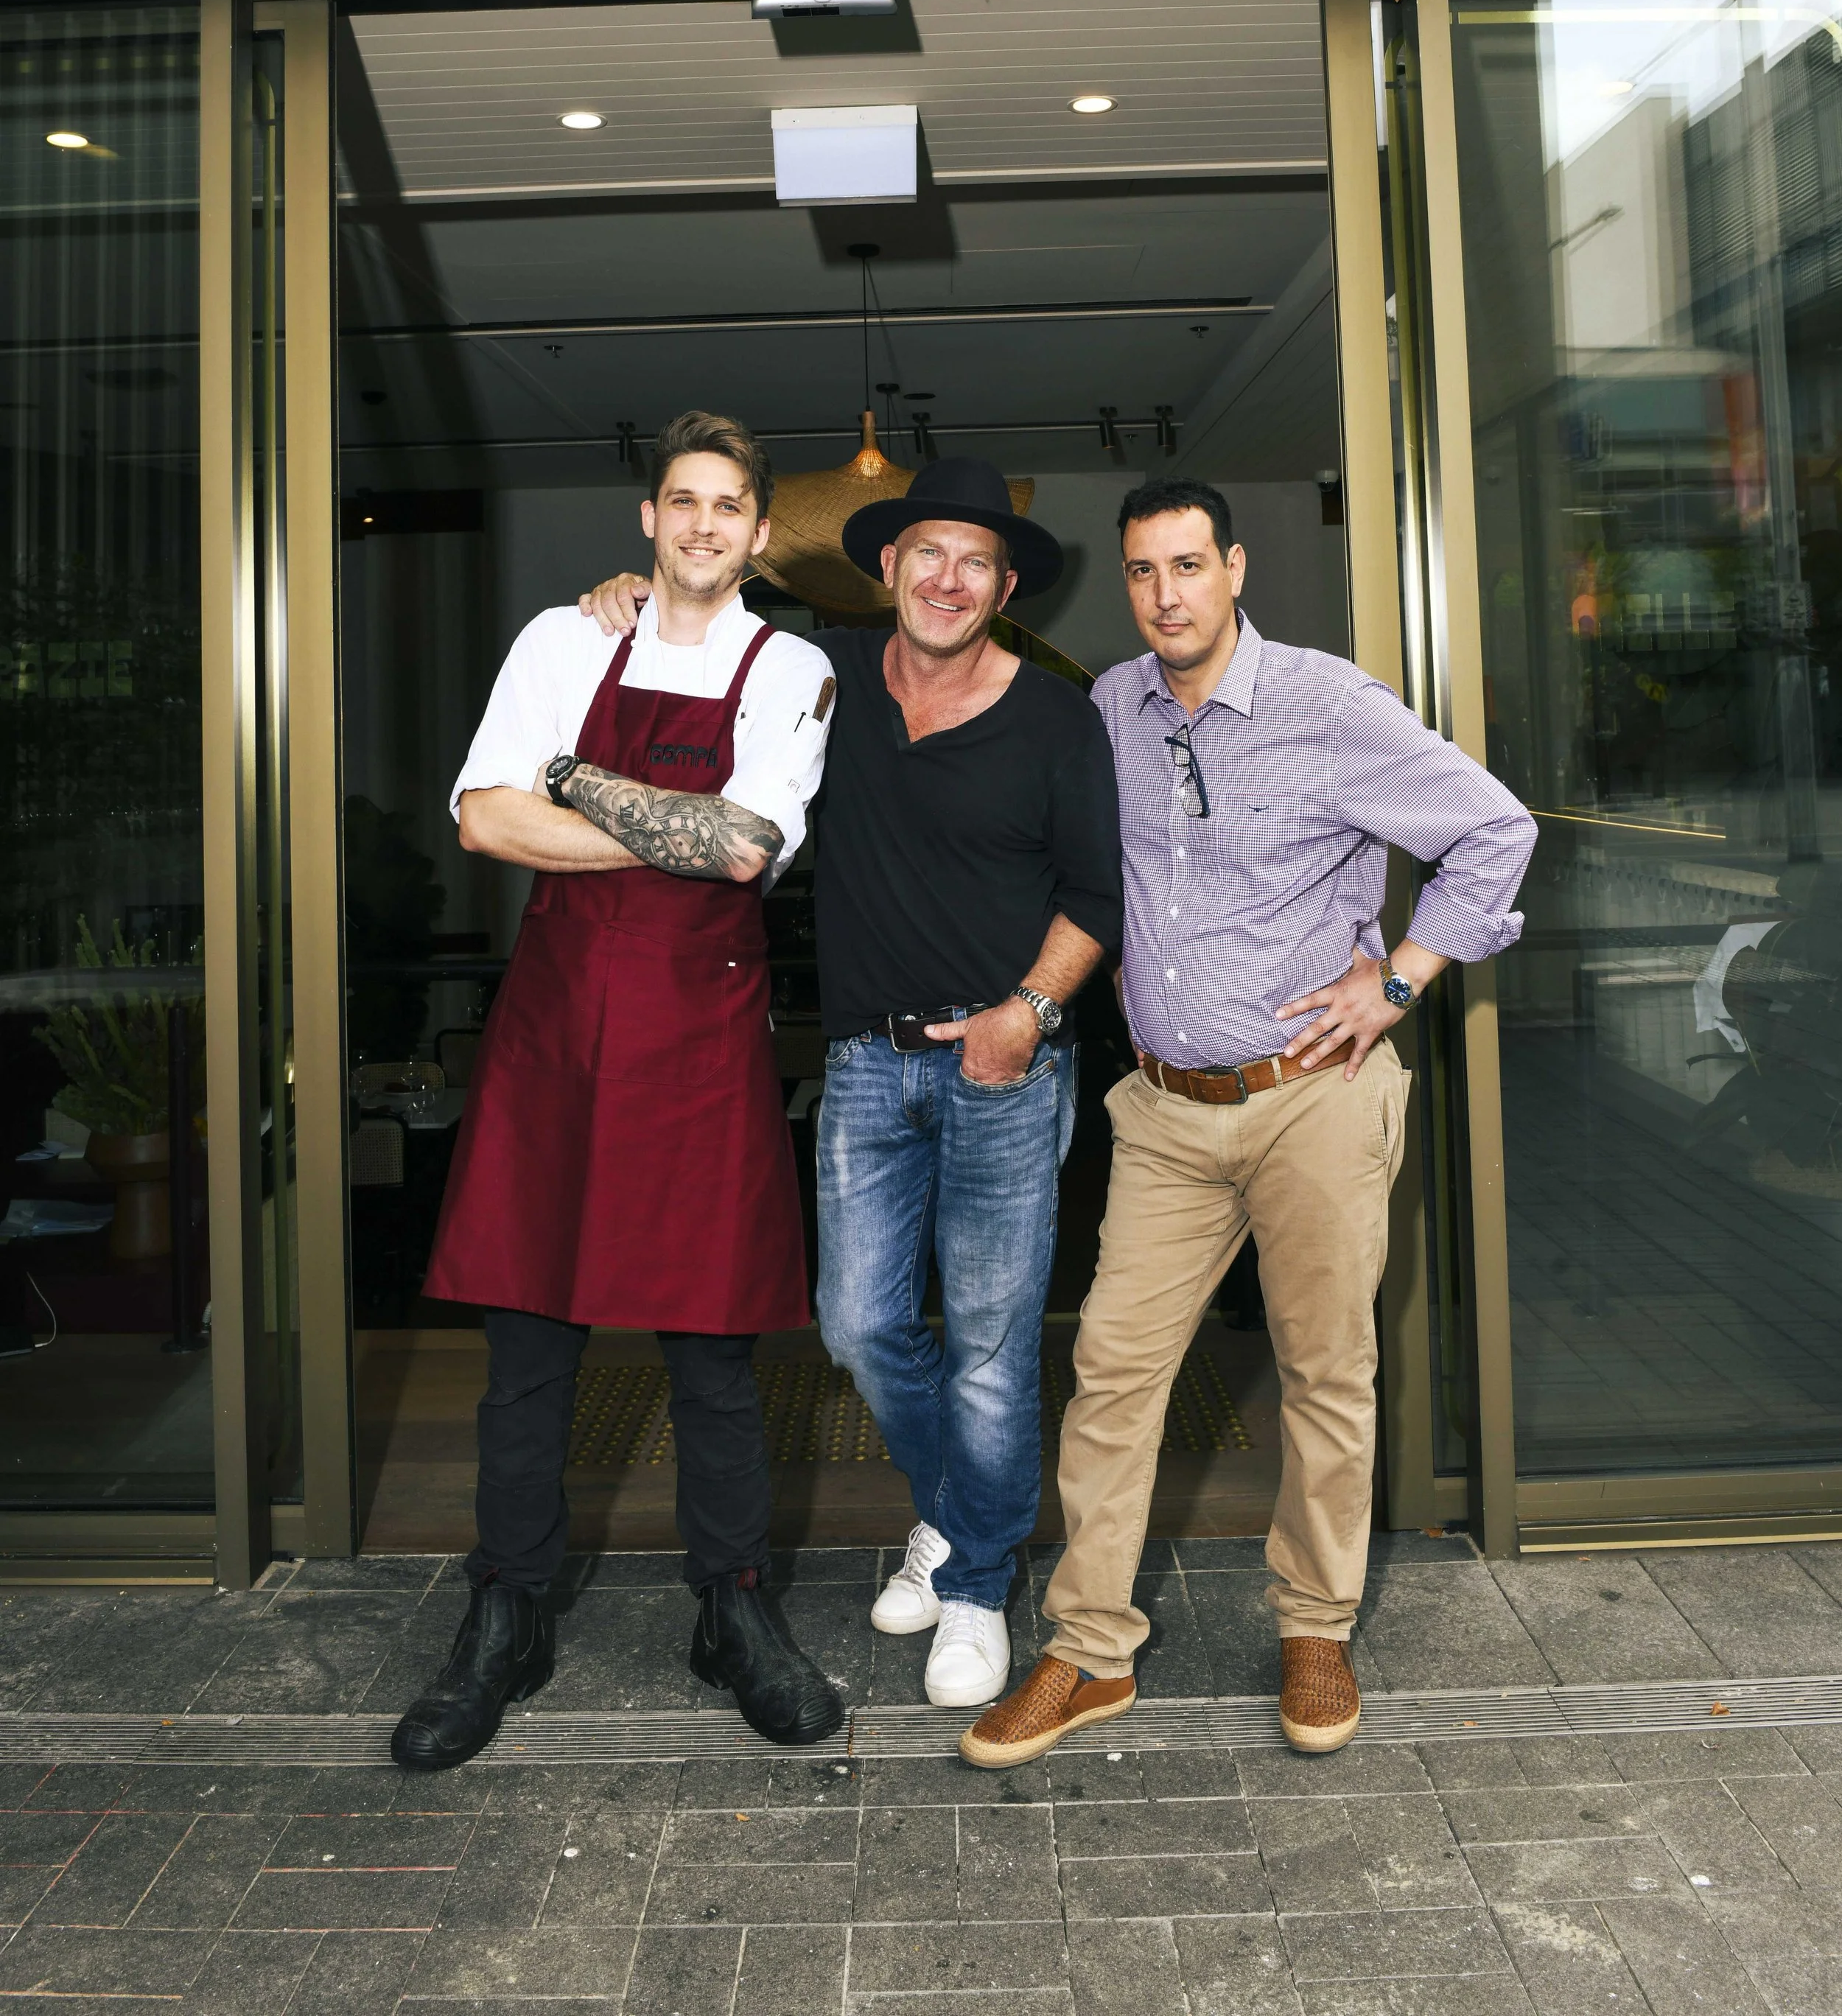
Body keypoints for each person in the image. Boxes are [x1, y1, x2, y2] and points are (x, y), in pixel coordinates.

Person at [961, 478, 1536, 1769]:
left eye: (1187, 565)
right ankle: (1089, 1649)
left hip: (1312, 1101)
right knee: (1112, 1371)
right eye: (1142, 573)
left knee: (1327, 1373)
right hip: (1169, 1111)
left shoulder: (1329, 705)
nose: (1166, 594)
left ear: (1233, 569)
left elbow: (1496, 831)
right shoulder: (1114, 702)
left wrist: (1393, 983)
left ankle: (1316, 1623)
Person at [584, 456, 1123, 1709]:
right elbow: (693, 622)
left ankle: (978, 1583)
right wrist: (625, 588)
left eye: (975, 561)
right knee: (858, 1326)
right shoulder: (817, 682)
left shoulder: (1053, 717)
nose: (948, 578)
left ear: (1003, 586)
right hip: (866, 1065)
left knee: (989, 1348)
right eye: (927, 553)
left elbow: (1097, 896)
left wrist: (1027, 1012)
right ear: (884, 566)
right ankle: (955, 1517)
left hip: (1005, 1064)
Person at [391, 412, 843, 1771]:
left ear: (760, 534)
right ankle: (509, 1609)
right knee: (526, 1353)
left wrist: (575, 780)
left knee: (712, 1355)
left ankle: (736, 1606)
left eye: (729, 506)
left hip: (700, 1047)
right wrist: (653, 826)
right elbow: (482, 816)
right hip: (553, 1040)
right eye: (681, 501)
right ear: (649, 519)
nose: (704, 524)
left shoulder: (796, 664)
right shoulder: (561, 638)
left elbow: (742, 846)